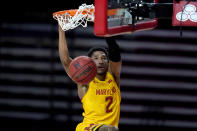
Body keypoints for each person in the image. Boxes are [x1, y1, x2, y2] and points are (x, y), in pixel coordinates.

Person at [58, 26, 122, 131]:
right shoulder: (84, 80)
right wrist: (61, 31)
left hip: (107, 128)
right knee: (111, 129)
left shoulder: (114, 77)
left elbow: (115, 50)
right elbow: (65, 60)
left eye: (104, 58)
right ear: (90, 63)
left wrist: (106, 31)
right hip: (88, 128)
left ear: (108, 63)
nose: (100, 61)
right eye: (96, 58)